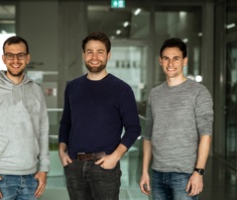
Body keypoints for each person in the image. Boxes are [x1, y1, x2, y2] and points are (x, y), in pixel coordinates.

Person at [58, 31, 141, 200]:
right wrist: (61, 149)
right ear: (83, 55)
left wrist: (115, 157)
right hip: (74, 165)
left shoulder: (122, 90)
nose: (94, 56)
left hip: (105, 167)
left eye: (100, 52)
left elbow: (134, 128)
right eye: (90, 52)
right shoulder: (72, 87)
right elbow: (66, 122)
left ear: (108, 55)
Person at [0, 36, 50, 200]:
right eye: (10, 55)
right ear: (3, 58)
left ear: (27, 58)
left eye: (20, 55)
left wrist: (43, 169)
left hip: (31, 177)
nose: (15, 60)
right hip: (0, 178)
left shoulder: (36, 91)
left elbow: (43, 131)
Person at [139, 38, 214, 200]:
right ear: (160, 61)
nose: (170, 63)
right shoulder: (155, 94)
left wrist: (199, 172)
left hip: (185, 174)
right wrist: (145, 171)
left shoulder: (199, 92)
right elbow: (148, 135)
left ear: (185, 61)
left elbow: (206, 135)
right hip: (158, 173)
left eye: (176, 58)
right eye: (166, 58)